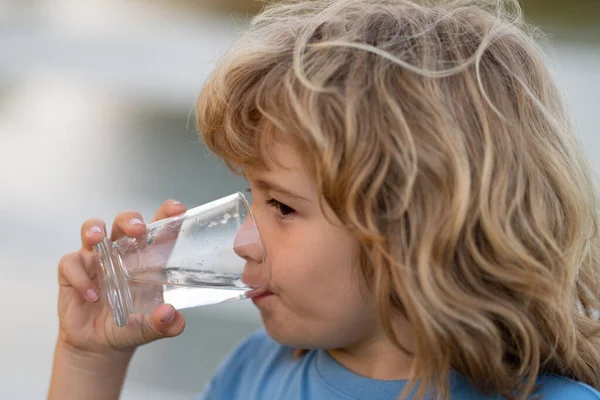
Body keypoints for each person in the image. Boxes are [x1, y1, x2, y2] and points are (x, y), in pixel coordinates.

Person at [47, 0, 600, 399]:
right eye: (252, 197)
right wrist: (90, 360)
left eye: (283, 207)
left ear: (416, 228)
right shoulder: (255, 373)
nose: (243, 241)